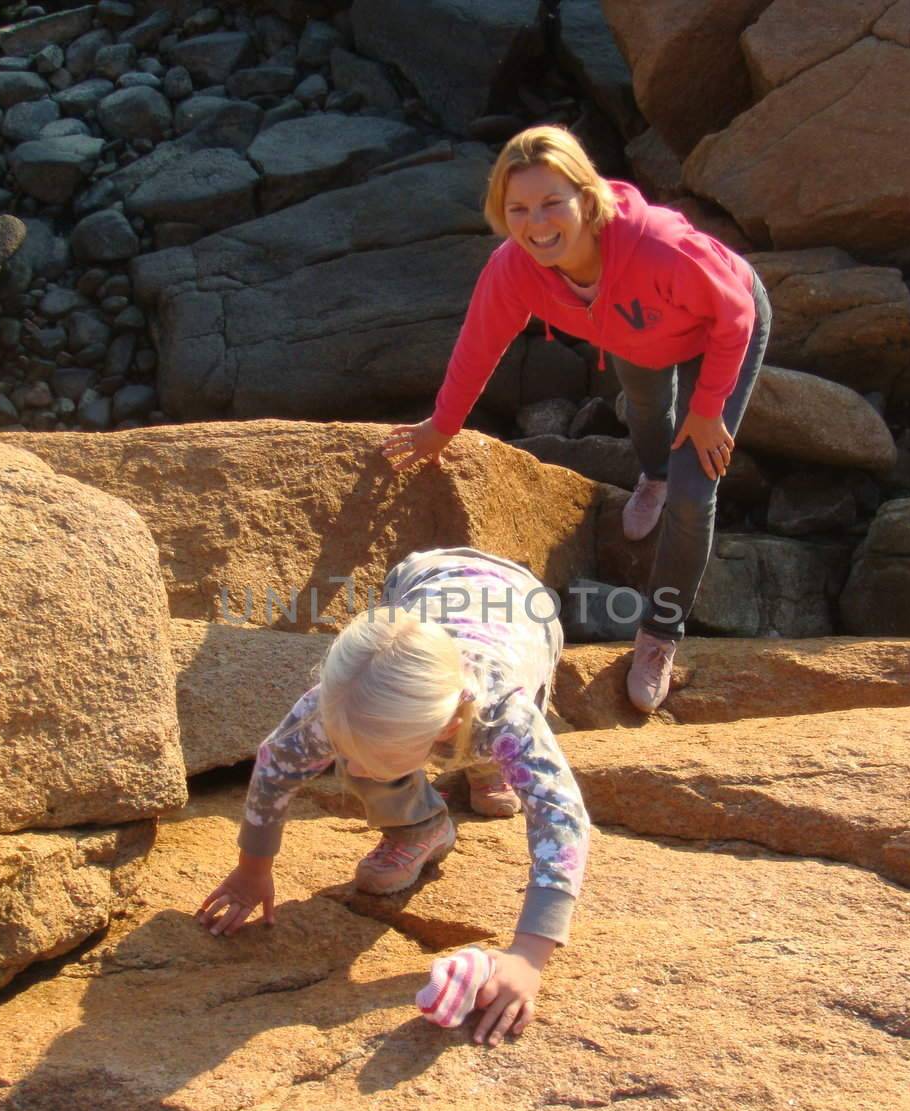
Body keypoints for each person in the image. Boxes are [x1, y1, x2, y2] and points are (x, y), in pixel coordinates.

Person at [382, 126, 772, 713]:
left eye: (550, 203)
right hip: (637, 337)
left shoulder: (658, 246)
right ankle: (652, 477)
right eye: (518, 209)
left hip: (720, 334)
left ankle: (660, 633)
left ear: (586, 199)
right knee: (645, 412)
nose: (536, 223)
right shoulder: (513, 270)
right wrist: (443, 424)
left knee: (696, 489)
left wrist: (709, 407)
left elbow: (736, 315)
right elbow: (479, 345)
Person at [196, 548, 590, 1047]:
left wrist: (529, 955)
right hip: (425, 577)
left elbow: (561, 819)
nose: (352, 774)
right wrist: (253, 868)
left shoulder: (504, 713)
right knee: (368, 743)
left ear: (445, 726)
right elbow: (277, 763)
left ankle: (488, 768)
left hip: (526, 613)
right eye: (343, 753)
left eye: (368, 762)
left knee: (502, 750)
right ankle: (420, 825)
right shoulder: (338, 702)